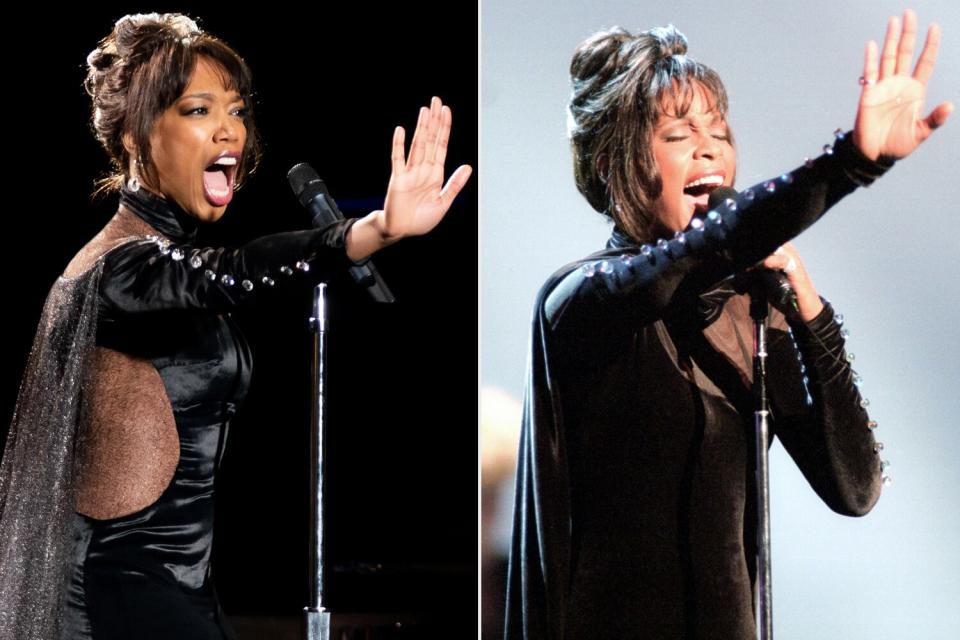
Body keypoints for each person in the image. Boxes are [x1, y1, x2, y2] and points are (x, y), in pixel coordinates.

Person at [0, 12, 471, 640]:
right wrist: (373, 230)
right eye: (198, 110)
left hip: (182, 585)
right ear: (140, 137)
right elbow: (235, 271)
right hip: (116, 587)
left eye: (237, 110)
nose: (229, 129)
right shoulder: (118, 267)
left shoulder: (168, 262)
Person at [505, 10, 950, 640]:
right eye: (680, 133)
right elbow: (700, 252)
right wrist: (849, 162)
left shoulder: (750, 311)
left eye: (717, 130)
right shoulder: (581, 301)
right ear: (614, 162)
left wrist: (810, 312)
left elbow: (855, 489)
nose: (710, 146)